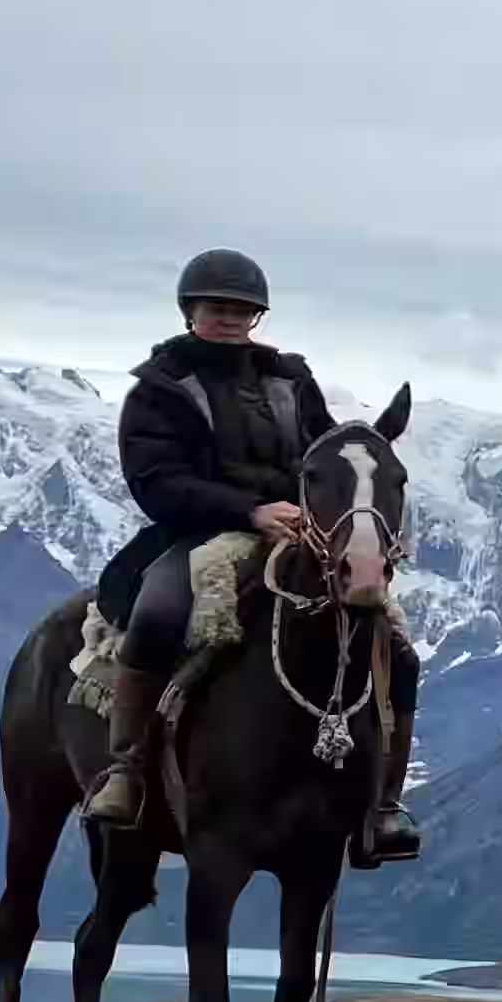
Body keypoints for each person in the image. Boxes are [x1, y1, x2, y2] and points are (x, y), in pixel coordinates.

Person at [84, 248, 422, 865]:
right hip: (195, 532)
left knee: (394, 644)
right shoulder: (159, 390)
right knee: (158, 615)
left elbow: (319, 462)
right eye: (217, 308)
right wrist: (249, 511)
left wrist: (313, 515)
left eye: (242, 310)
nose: (230, 320)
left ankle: (383, 804)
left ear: (257, 317)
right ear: (191, 312)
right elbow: (156, 481)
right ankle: (126, 770)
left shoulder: (292, 379)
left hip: (298, 535)